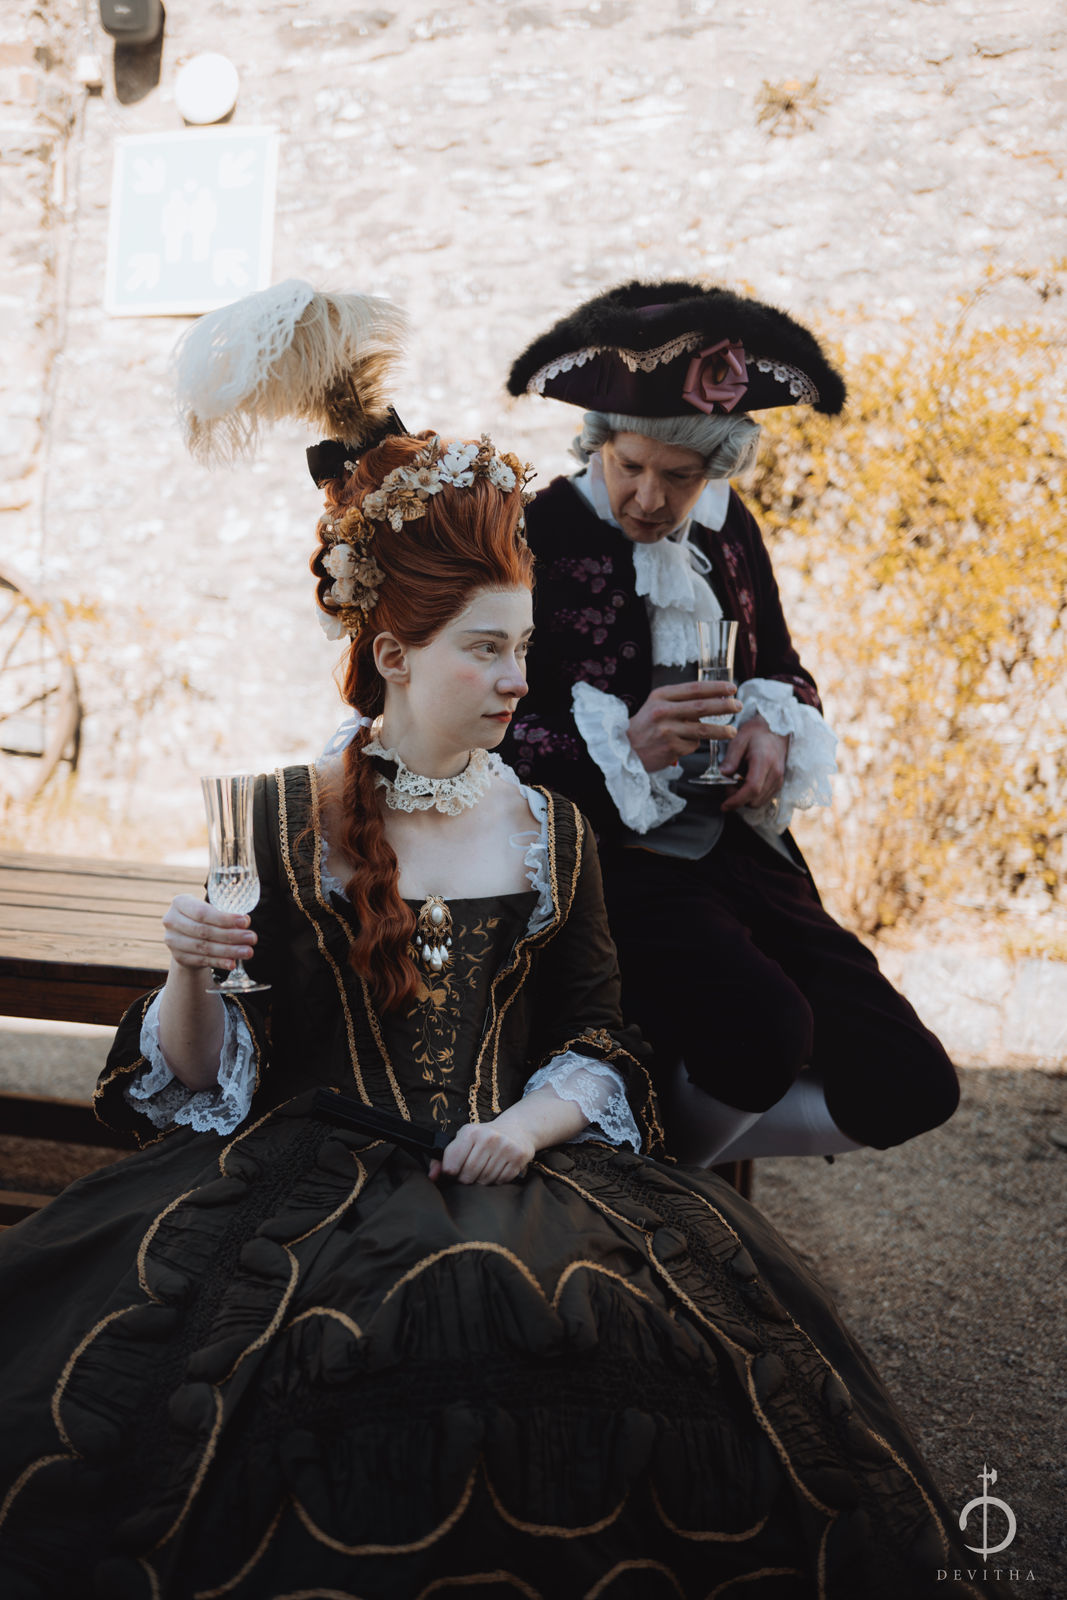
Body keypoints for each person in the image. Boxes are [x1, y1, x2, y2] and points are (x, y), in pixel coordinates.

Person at [0, 283, 992, 1600]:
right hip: (316, 1175)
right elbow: (196, 1068)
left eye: (523, 648)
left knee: (649, 1328)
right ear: (390, 652)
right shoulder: (287, 815)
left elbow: (596, 1027)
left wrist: (532, 1121)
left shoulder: (547, 823)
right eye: (488, 649)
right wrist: (188, 962)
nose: (519, 680)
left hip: (539, 1128)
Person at [502, 279, 960, 1166]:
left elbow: (783, 664)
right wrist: (620, 747)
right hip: (613, 862)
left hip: (741, 850)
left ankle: (660, 1158)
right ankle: (654, 1187)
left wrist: (773, 728)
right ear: (598, 440)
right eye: (629, 466)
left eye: (679, 476)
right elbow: (486, 725)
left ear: (717, 467)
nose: (648, 496)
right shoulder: (535, 532)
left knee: (910, 1081)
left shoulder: (729, 527)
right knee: (761, 1030)